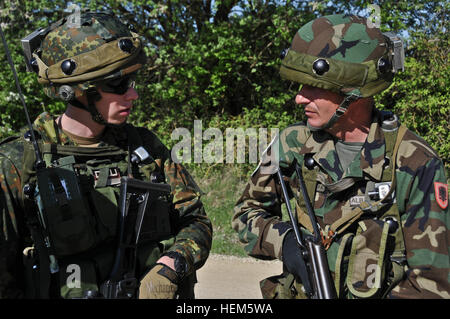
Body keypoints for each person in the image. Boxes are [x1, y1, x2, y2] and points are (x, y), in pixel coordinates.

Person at [232, 14, 449, 299]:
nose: (299, 98)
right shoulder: (291, 143)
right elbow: (246, 211)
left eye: (314, 87)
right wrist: (284, 241)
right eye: (300, 86)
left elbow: (432, 284)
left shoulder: (414, 162)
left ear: (354, 93)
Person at [0, 11, 212, 299]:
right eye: (117, 84)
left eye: (132, 80)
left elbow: (195, 221)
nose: (133, 95)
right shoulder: (18, 163)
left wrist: (170, 267)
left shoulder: (147, 148)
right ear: (76, 91)